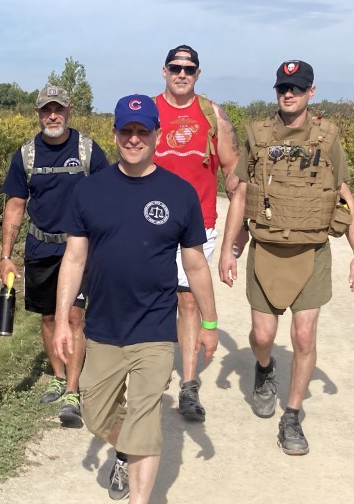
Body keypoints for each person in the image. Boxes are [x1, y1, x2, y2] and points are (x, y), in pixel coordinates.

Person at [53, 94, 218, 503]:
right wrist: (60, 321)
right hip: (104, 327)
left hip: (154, 326)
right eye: (126, 130)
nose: (133, 138)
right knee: (94, 413)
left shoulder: (179, 193)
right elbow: (74, 259)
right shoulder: (89, 191)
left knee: (144, 418)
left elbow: (195, 265)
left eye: (142, 130)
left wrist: (210, 324)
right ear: (115, 134)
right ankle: (123, 448)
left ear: (156, 136)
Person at [218, 60, 354, 455]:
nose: (289, 93)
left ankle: (292, 416)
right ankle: (265, 369)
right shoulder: (259, 135)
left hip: (312, 250)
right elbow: (240, 193)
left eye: (297, 88)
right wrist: (231, 249)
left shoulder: (328, 137)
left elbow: (343, 194)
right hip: (266, 248)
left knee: (303, 335)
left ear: (310, 92)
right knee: (263, 337)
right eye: (283, 87)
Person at [0, 85, 108, 427]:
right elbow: (15, 206)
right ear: (38, 113)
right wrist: (6, 255)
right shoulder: (27, 155)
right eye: (46, 109)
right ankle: (59, 376)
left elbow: (111, 197)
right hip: (40, 248)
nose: (52, 115)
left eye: (58, 108)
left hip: (79, 250)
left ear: (69, 110)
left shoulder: (88, 150)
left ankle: (74, 391)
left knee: (75, 318)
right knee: (48, 318)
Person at [152, 44, 240, 422]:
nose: (182, 73)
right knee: (154, 300)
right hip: (151, 223)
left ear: (198, 74)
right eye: (175, 67)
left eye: (189, 68)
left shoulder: (213, 115)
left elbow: (235, 182)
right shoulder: (148, 110)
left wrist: (233, 241)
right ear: (165, 70)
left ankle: (188, 384)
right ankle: (150, 377)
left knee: (189, 302)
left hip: (198, 226)